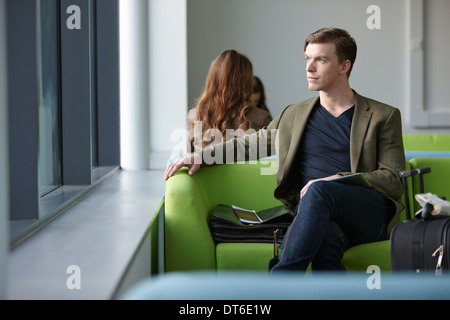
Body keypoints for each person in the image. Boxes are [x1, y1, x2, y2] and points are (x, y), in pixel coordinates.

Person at [165, 28, 406, 273]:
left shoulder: (382, 116)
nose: (309, 68)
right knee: (326, 242)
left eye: (320, 60)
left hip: (366, 214)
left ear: (344, 67)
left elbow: (393, 179)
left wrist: (337, 180)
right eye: (307, 59)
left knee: (320, 189)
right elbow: (250, 144)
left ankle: (278, 285)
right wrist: (200, 156)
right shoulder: (294, 114)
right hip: (315, 214)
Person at [187, 50, 270, 151]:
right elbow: (267, 162)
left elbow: (188, 161)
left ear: (212, 80)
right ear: (247, 82)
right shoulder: (261, 118)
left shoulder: (194, 116)